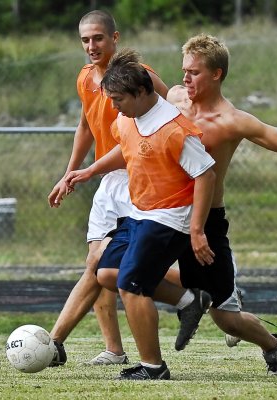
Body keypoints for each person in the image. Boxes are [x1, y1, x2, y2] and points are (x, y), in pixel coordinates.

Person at [164, 33, 277, 375]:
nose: (185, 78)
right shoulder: (174, 98)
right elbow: (143, 96)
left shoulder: (232, 120)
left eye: (194, 72)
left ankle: (274, 347)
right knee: (117, 265)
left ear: (216, 74)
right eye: (184, 70)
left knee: (227, 320)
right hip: (166, 212)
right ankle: (146, 361)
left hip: (208, 222)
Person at [65, 48, 216, 380]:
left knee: (131, 284)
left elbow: (205, 174)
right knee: (106, 274)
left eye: (118, 99)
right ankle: (189, 300)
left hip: (169, 217)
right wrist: (89, 170)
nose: (113, 106)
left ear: (142, 92)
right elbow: (125, 148)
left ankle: (153, 367)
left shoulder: (174, 128)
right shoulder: (127, 116)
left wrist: (196, 229)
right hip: (140, 211)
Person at [47, 9, 173, 366]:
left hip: (139, 177)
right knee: (97, 260)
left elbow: (175, 112)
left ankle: (202, 291)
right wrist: (70, 173)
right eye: (85, 40)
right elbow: (86, 127)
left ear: (114, 39)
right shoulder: (86, 78)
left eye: (98, 38)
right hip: (106, 179)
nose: (91, 46)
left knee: (107, 263)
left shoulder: (141, 76)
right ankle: (114, 349)